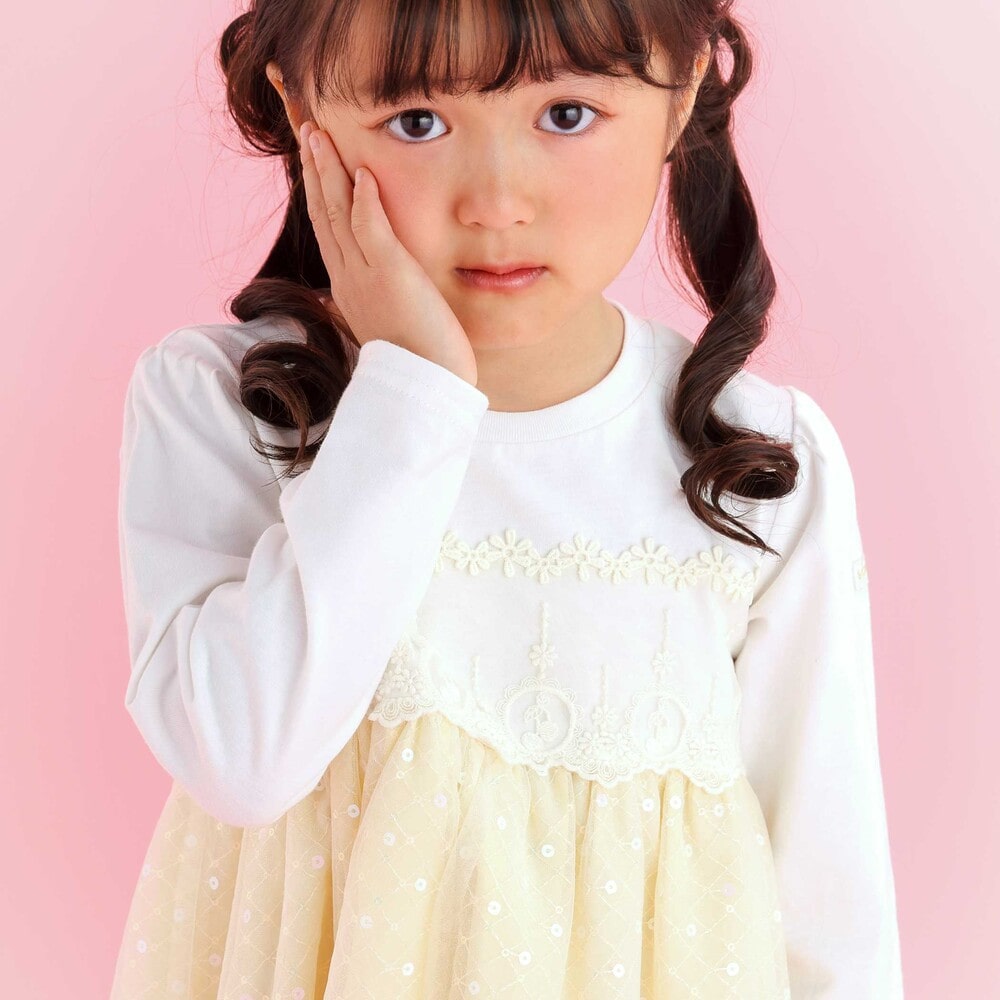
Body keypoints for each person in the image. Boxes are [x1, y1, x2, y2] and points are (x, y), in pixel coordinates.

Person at [108, 0, 905, 997]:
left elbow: (829, 900)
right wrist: (413, 391)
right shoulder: (226, 405)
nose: (495, 203)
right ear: (303, 116)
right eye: (417, 122)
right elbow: (245, 763)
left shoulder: (758, 463)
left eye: (567, 115)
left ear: (682, 97)